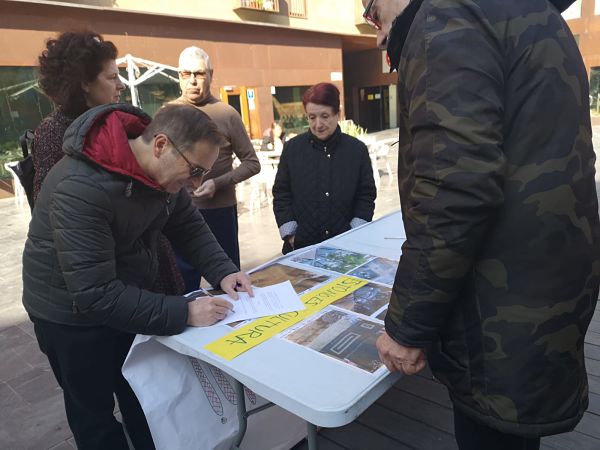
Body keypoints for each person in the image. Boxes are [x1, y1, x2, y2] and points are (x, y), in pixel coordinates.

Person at [361, 1, 600, 449]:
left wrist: (405, 327)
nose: (376, 36)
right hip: (545, 292)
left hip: (497, 313)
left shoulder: (448, 15)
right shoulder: (527, 12)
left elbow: (454, 191)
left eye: (372, 14)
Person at [22, 103, 253, 450]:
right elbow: (94, 293)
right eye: (193, 170)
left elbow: (188, 226)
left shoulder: (161, 175)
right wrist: (184, 312)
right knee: (94, 414)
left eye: (202, 173)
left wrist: (224, 271)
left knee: (144, 396)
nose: (196, 184)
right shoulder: (80, 186)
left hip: (123, 293)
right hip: (67, 316)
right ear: (160, 145)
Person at [33, 30, 185, 296]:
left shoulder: (120, 121)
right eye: (112, 77)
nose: (121, 85)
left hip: (147, 257)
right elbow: (55, 210)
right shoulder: (53, 133)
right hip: (107, 269)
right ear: (84, 83)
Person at [171, 46, 260, 290]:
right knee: (183, 283)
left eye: (199, 74)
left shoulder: (227, 113)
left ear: (210, 74)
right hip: (178, 212)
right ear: (179, 76)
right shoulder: (168, 113)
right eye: (185, 74)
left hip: (219, 212)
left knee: (229, 282)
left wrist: (218, 183)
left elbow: (252, 163)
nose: (192, 81)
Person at [272, 82, 377, 254]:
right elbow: (281, 194)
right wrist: (290, 234)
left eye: (325, 116)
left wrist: (355, 231)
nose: (318, 124)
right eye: (312, 117)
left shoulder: (356, 150)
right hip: (301, 248)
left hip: (346, 247)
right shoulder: (292, 149)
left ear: (338, 114)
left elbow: (366, 195)